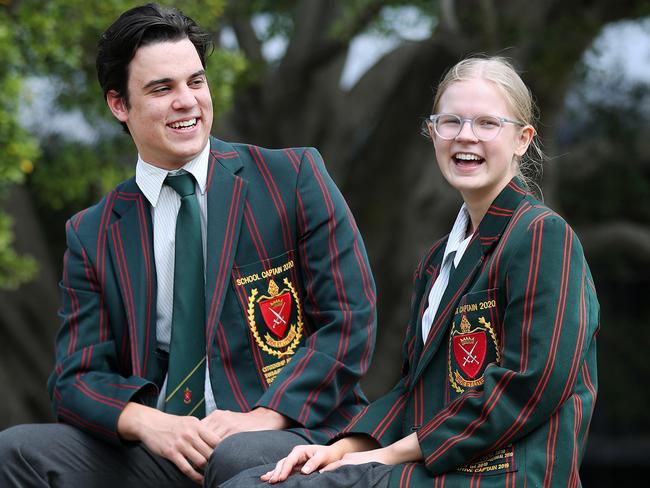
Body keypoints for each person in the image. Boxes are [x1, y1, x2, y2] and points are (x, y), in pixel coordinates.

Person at [0, 3, 377, 487]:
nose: (187, 101)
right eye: (162, 89)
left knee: (238, 457)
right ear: (119, 104)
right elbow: (76, 378)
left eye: (195, 82)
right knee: (13, 453)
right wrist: (148, 423)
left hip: (289, 430)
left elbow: (349, 323)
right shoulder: (93, 232)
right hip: (163, 450)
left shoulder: (292, 178)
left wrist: (266, 414)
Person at [221, 56, 600, 488]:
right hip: (432, 464)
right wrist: (343, 448)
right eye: (451, 121)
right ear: (432, 132)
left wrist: (385, 456)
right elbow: (412, 392)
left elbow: (529, 385)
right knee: (237, 461)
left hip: (502, 476)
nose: (466, 136)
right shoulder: (439, 258)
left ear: (522, 139)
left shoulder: (542, 235)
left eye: (488, 123)